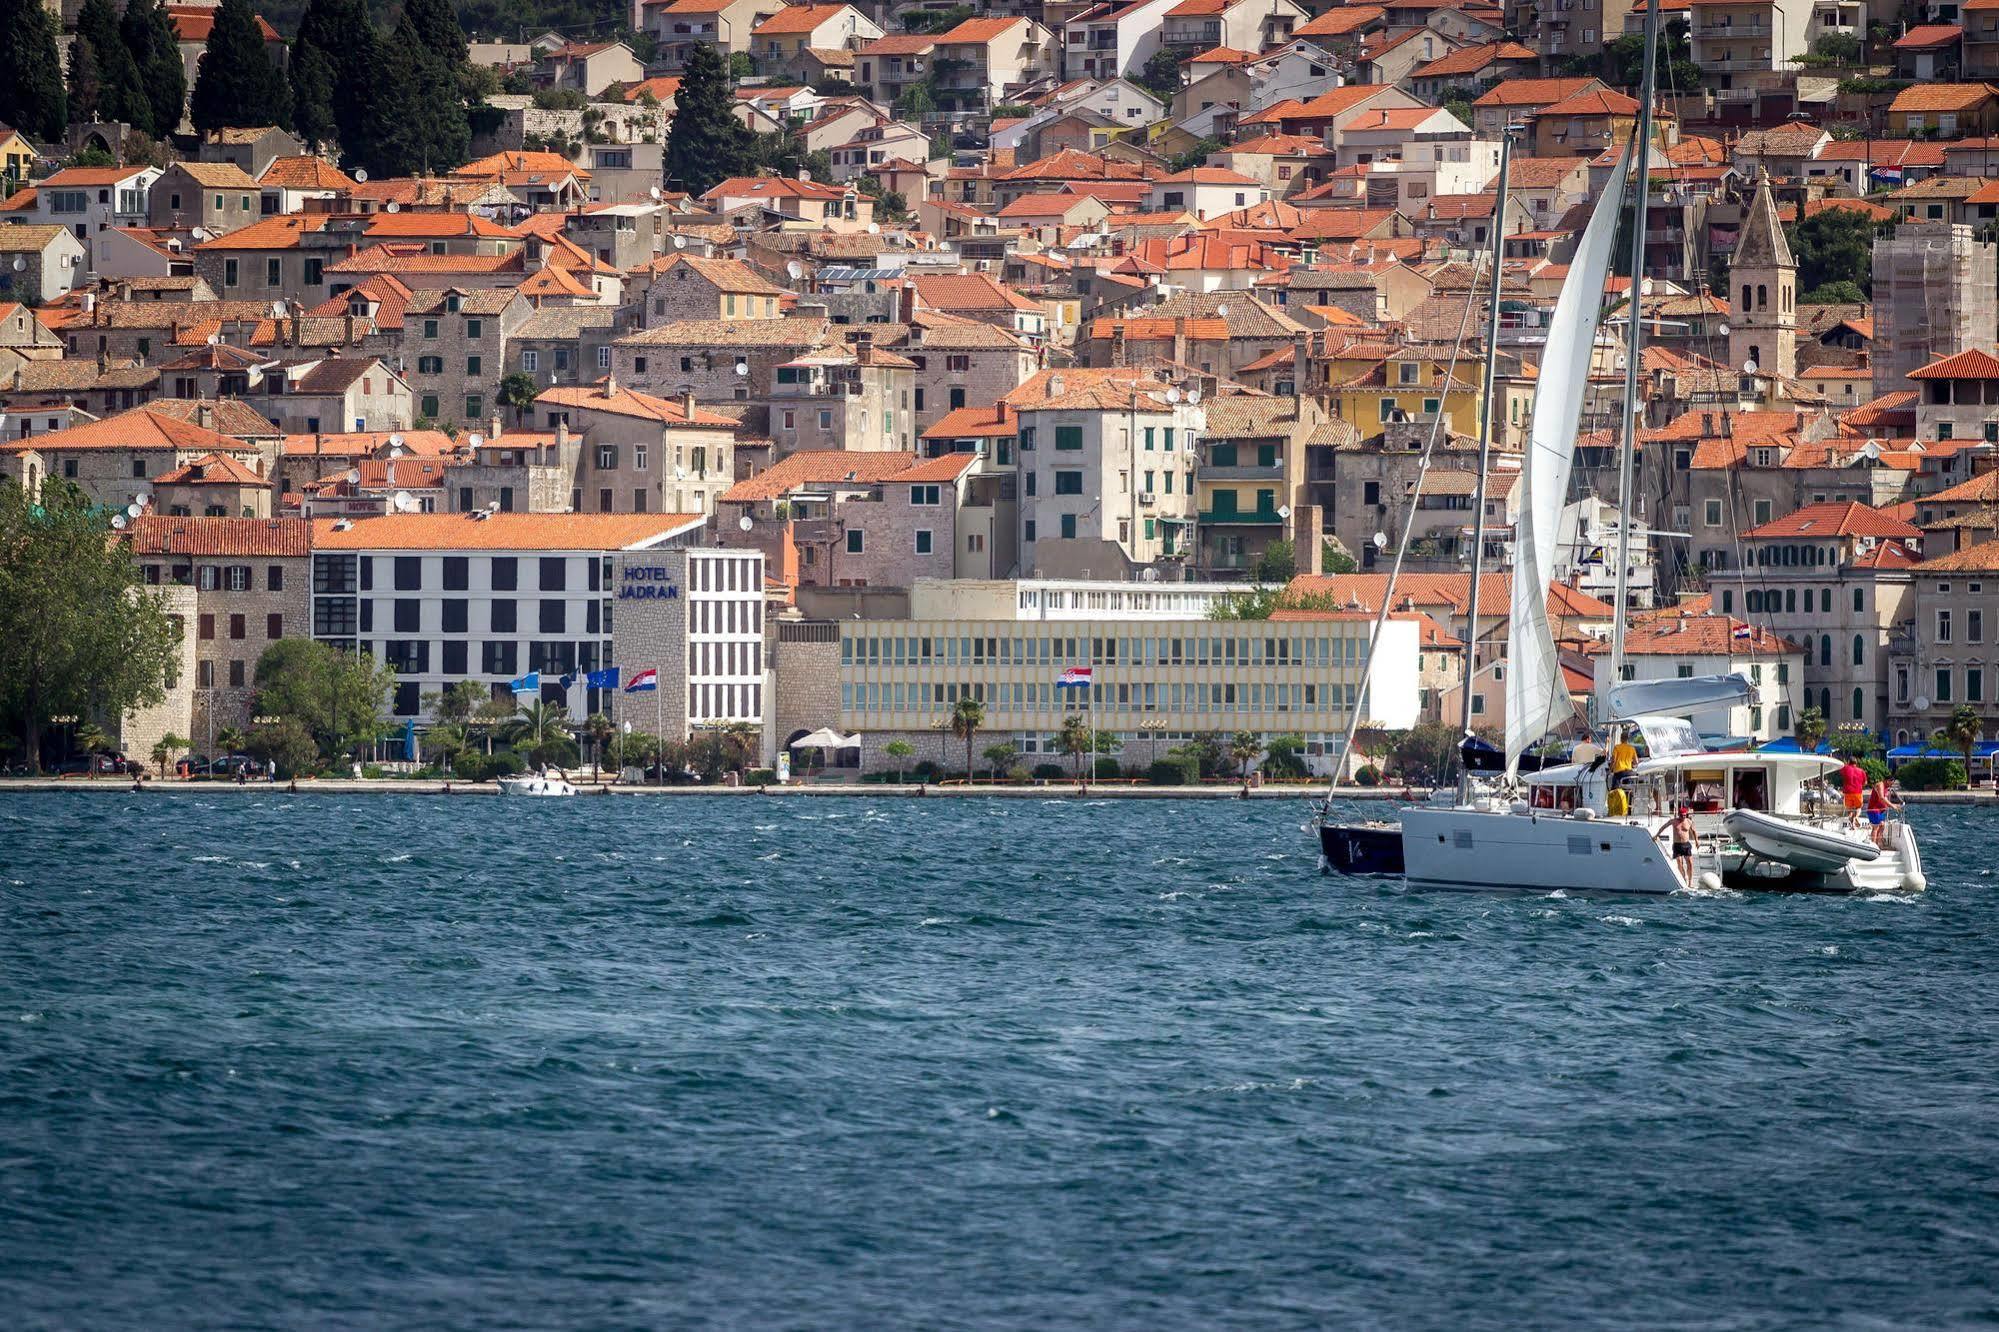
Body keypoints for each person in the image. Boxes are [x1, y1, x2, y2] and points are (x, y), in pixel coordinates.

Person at [1657, 804, 1696, 887]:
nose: (1683, 817)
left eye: (1685, 815)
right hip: (1677, 845)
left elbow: (1694, 831)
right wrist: (1657, 835)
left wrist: (1697, 841)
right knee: (1679, 863)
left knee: (1690, 863)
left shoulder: (1689, 821)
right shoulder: (1674, 821)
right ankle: (1683, 878)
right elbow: (1663, 827)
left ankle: (1690, 881)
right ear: (1679, 815)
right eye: (1682, 816)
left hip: (1686, 845)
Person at [1866, 778, 1902, 849]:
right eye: (1891, 782)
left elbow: (1885, 798)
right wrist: (1892, 806)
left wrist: (1893, 805)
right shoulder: (1880, 785)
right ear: (1887, 780)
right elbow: (1881, 798)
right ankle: (1873, 845)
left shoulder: (1886, 787)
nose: (1892, 785)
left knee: (1882, 825)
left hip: (1880, 811)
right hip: (1874, 810)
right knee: (1875, 827)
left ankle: (1878, 844)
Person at [1838, 756, 1868, 829]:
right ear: (1856, 763)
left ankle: (1852, 825)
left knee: (1850, 809)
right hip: (1858, 792)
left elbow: (1840, 771)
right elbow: (1865, 783)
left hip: (1848, 792)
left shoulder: (1845, 768)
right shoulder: (1861, 771)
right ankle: (1857, 817)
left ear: (1849, 762)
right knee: (1858, 807)